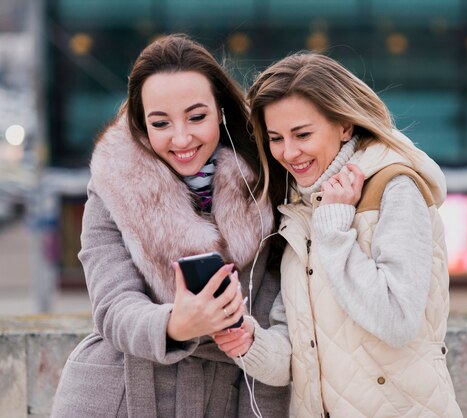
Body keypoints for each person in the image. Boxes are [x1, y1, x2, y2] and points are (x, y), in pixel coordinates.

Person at [51, 34, 290, 418]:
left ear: (221, 110)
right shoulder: (113, 187)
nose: (182, 138)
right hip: (122, 393)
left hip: (230, 393)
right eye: (160, 123)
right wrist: (176, 324)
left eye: (197, 117)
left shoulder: (268, 180)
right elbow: (113, 307)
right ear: (142, 126)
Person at [214, 52, 463, 417]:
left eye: (302, 134)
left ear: (345, 126)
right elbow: (298, 357)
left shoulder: (394, 188)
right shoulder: (300, 207)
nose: (289, 152)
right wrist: (247, 342)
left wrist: (334, 229)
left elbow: (396, 321)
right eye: (276, 138)